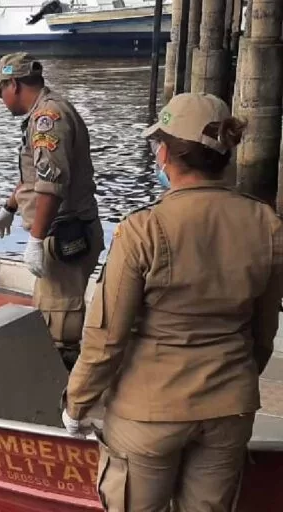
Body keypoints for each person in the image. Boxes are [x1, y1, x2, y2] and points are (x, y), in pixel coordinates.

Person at [64, 92, 283, 511]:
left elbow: (107, 338)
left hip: (149, 411)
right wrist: (233, 380)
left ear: (166, 153)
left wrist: (77, 404)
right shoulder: (267, 225)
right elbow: (263, 331)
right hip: (229, 408)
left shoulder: (142, 230)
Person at [0, 52, 104, 369]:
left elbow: (51, 185)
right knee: (52, 310)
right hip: (66, 229)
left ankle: (64, 400)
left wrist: (35, 241)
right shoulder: (47, 112)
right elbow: (34, 177)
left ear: (15, 84)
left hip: (64, 235)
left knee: (59, 328)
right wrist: (9, 207)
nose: (0, 99)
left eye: (0, 91)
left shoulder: (47, 119)